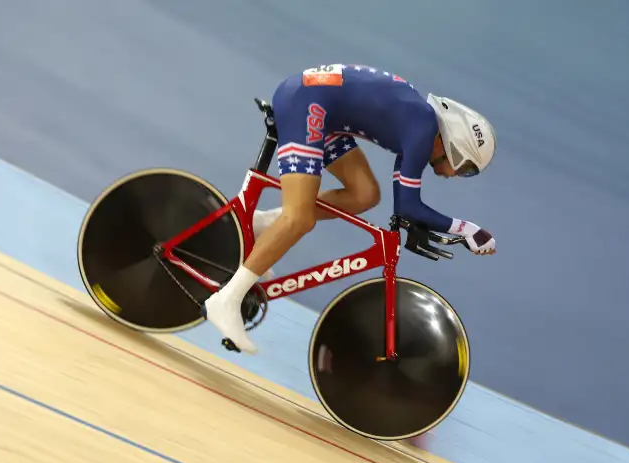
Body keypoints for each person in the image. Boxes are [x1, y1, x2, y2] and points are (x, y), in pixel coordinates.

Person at [203, 63, 497, 354]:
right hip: (307, 103)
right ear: (455, 146)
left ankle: (265, 225)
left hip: (319, 106)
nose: (456, 174)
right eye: (465, 167)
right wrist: (466, 229)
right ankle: (226, 300)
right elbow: (408, 206)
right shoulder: (422, 130)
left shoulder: (419, 126)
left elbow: (405, 205)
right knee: (300, 218)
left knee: (365, 193)